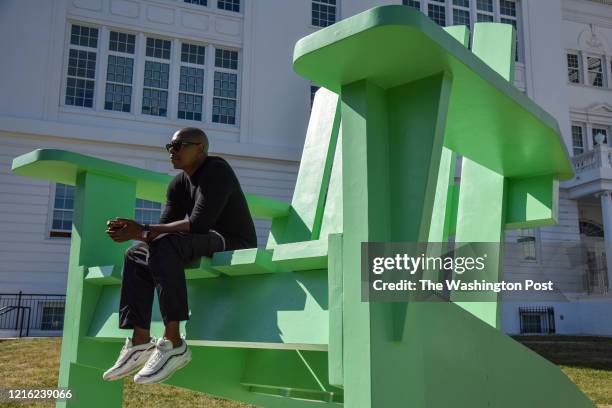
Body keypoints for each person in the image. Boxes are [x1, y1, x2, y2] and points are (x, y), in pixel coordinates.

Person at [102, 127, 258, 384]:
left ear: (201, 148)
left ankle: (174, 343)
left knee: (163, 245)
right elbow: (161, 231)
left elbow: (198, 223)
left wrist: (143, 229)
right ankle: (140, 341)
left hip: (231, 240)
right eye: (170, 146)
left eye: (180, 145)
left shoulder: (217, 170)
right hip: (201, 240)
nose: (172, 151)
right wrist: (137, 234)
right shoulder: (178, 184)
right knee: (135, 254)